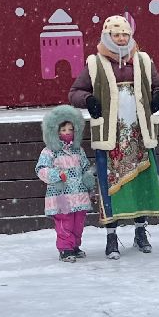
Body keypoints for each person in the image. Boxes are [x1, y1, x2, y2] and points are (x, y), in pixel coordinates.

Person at [68, 14, 159, 259]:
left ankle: (140, 232)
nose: (122, 38)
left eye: (125, 34)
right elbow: (75, 92)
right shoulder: (95, 63)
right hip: (112, 135)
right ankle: (111, 236)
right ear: (107, 36)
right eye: (116, 34)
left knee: (140, 183)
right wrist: (89, 101)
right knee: (110, 186)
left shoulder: (143, 60)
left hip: (138, 133)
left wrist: (158, 98)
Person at [35, 105, 98, 262]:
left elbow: (85, 167)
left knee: (78, 223)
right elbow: (41, 169)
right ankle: (65, 248)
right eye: (63, 130)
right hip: (61, 194)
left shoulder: (79, 151)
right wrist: (56, 175)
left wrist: (89, 181)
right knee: (65, 221)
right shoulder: (49, 151)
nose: (67, 133)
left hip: (79, 193)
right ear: (55, 132)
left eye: (70, 130)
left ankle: (75, 246)